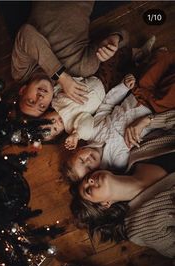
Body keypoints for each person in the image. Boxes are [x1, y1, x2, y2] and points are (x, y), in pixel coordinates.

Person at [63, 49, 175, 180]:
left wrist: (124, 87)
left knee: (159, 60)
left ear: (78, 151)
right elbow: (144, 147)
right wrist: (159, 125)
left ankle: (165, 57)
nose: (88, 161)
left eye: (82, 160)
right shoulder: (116, 162)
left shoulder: (91, 132)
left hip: (137, 95)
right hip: (155, 110)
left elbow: (107, 105)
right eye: (89, 168)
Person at [70, 128, 175, 258]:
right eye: (88, 190)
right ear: (104, 204)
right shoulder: (140, 227)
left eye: (88, 178)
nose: (90, 179)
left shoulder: (139, 151)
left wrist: (149, 120)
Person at [12, 1, 129, 116]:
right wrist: (115, 39)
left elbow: (26, 33)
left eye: (31, 101)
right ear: (50, 102)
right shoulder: (81, 68)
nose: (40, 98)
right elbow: (122, 34)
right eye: (42, 106)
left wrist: (61, 76)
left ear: (23, 90)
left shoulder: (22, 72)